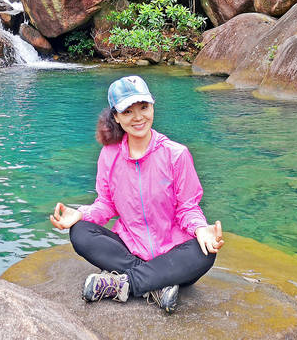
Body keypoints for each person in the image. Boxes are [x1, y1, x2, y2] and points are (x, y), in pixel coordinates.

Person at [50, 75, 223, 313]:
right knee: (80, 232)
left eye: (144, 107)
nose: (139, 117)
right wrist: (80, 214)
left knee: (204, 253)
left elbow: (188, 207)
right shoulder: (109, 155)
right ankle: (157, 284)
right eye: (128, 111)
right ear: (116, 117)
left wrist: (200, 229)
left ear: (153, 106)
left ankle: (122, 284)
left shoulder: (176, 154)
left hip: (172, 250)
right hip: (131, 247)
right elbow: (106, 204)